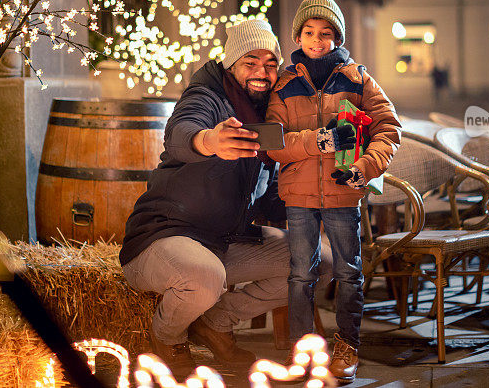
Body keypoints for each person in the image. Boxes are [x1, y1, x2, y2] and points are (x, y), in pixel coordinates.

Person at [120, 19, 331, 379]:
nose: (261, 72)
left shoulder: (268, 115)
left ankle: (216, 322)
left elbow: (270, 197)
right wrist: (209, 141)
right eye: (250, 62)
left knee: (317, 259)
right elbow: (180, 132)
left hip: (224, 241)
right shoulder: (206, 96)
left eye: (269, 63)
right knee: (205, 276)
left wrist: (323, 191)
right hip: (164, 237)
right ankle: (167, 337)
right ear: (231, 63)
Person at [266, 0, 402, 384]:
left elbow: (387, 128)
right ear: (297, 36)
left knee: (348, 271)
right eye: (309, 32)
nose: (316, 40)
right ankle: (302, 349)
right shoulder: (285, 83)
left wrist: (365, 166)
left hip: (344, 193)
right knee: (300, 275)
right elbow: (274, 143)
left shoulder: (357, 79)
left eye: (326, 33)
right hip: (299, 196)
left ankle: (347, 347)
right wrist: (320, 140)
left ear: (337, 36)